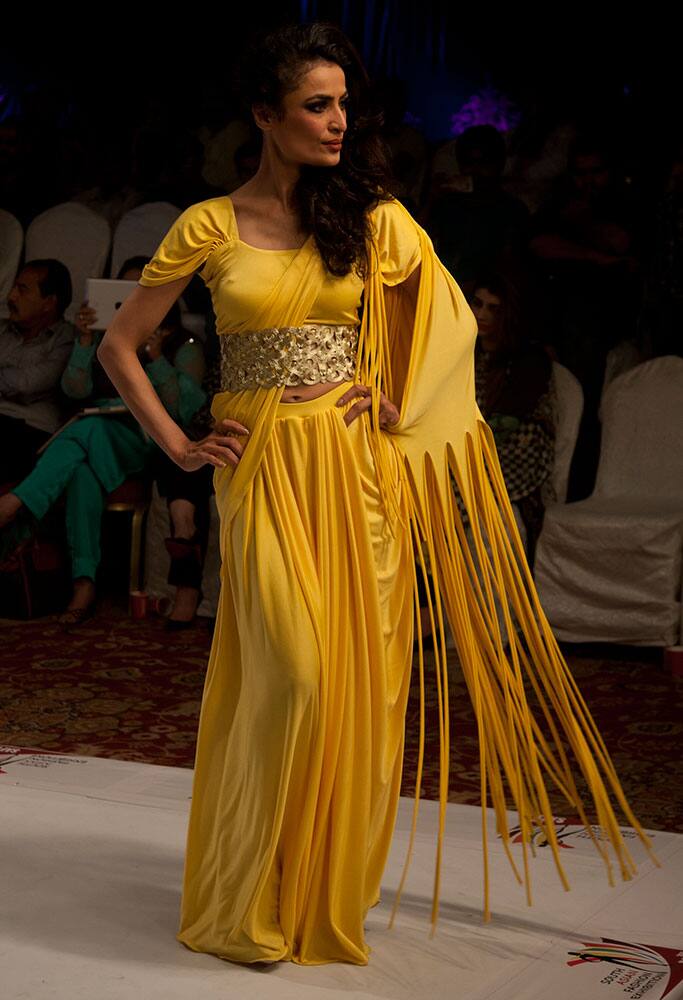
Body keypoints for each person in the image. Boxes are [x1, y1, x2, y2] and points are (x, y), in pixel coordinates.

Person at [95, 22, 657, 968]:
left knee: (357, 681)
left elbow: (446, 328)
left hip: (355, 471)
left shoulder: (374, 217)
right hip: (263, 463)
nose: (338, 121)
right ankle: (246, 894)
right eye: (316, 105)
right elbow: (120, 345)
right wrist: (182, 445)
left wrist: (390, 397)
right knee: (296, 673)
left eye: (344, 104)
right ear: (264, 117)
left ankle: (308, 893)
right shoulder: (209, 223)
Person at [0, 257, 206, 626]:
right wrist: (84, 341)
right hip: (101, 434)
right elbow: (73, 389)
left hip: (153, 440)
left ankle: (15, 503)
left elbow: (188, 412)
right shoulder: (104, 336)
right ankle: (84, 584)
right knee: (82, 471)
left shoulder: (182, 343)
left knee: (85, 433)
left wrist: (154, 358)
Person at [0, 259, 76, 485]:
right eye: (14, 288)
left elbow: (28, 384)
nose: (11, 297)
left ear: (48, 303)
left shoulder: (66, 338)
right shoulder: (3, 330)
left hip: (30, 430)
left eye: (22, 290)